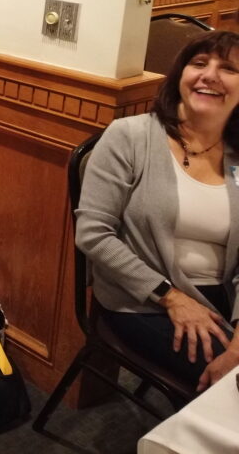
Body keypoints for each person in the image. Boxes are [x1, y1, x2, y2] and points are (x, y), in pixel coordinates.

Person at [76, 31, 239, 393]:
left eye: (228, 68)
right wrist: (173, 297)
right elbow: (93, 234)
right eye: (199, 63)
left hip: (223, 296)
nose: (209, 75)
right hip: (144, 299)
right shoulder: (130, 137)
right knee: (226, 389)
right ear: (180, 75)